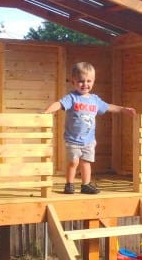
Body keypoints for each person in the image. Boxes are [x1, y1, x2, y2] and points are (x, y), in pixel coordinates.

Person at [44, 61, 136, 194]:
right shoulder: (72, 98)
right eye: (81, 81)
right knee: (73, 163)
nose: (85, 84)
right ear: (73, 82)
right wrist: (47, 111)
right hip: (73, 139)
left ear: (93, 81)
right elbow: (59, 104)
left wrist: (122, 109)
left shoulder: (94, 100)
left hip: (89, 140)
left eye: (89, 81)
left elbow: (108, 106)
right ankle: (69, 184)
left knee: (86, 163)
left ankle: (85, 185)